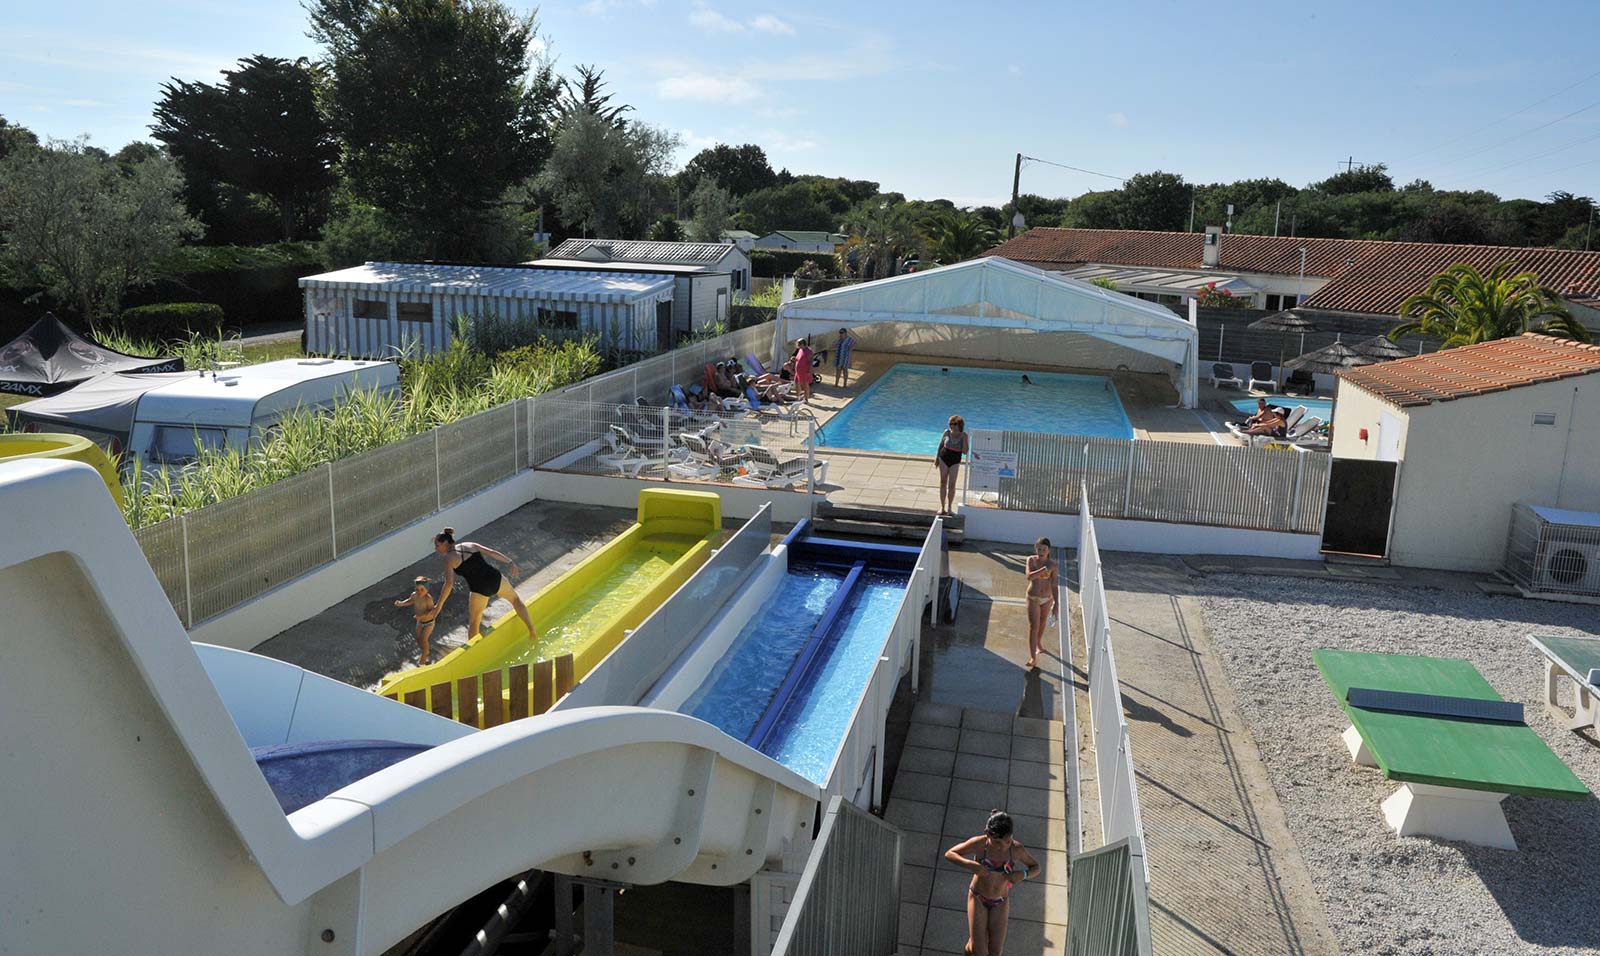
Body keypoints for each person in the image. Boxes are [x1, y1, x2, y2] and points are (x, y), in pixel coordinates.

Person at [944, 811, 1040, 956]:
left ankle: (973, 943)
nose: (1003, 847)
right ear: (987, 834)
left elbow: (1036, 867)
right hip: (978, 898)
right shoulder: (979, 844)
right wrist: (972, 865)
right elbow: (950, 853)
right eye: (997, 843)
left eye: (1007, 841)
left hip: (1000, 901)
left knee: (995, 951)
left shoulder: (1016, 849)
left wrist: (1024, 874)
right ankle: (972, 947)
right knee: (980, 952)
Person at [431, 527, 535, 642]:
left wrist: (439, 605)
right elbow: (491, 552)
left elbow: (449, 583)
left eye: (437, 545)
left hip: (479, 589)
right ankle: (531, 629)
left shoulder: (448, 559)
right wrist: (510, 562)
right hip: (495, 578)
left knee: (474, 622)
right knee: (516, 600)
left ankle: (474, 652)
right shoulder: (469, 545)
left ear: (445, 543)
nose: (436, 549)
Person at [1023, 538, 1058, 669]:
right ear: (1035, 549)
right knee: (1033, 626)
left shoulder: (1053, 565)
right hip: (1033, 598)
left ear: (1049, 550)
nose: (1041, 551)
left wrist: (1057, 604)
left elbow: (1054, 585)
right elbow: (1029, 576)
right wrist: (1042, 570)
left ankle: (1038, 643)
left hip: (1047, 599)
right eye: (1039, 549)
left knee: (1042, 622)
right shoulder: (1031, 560)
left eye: (1044, 549)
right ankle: (1033, 657)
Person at [394, 576, 438, 663]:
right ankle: (426, 651)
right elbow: (410, 601)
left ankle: (423, 659)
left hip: (429, 623)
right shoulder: (414, 595)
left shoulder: (428, 599)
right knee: (418, 639)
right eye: (417, 589)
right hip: (420, 622)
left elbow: (432, 612)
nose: (419, 592)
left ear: (427, 590)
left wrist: (422, 616)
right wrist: (402, 603)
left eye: (422, 589)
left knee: (423, 639)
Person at [935, 414, 968, 516]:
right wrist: (936, 458)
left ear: (959, 425)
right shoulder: (947, 432)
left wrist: (964, 439)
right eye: (950, 423)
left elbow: (965, 452)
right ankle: (942, 507)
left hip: (955, 459)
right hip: (944, 457)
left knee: (952, 485)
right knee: (943, 482)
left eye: (953, 424)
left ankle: (949, 507)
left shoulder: (964, 435)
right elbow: (940, 445)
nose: (951, 426)